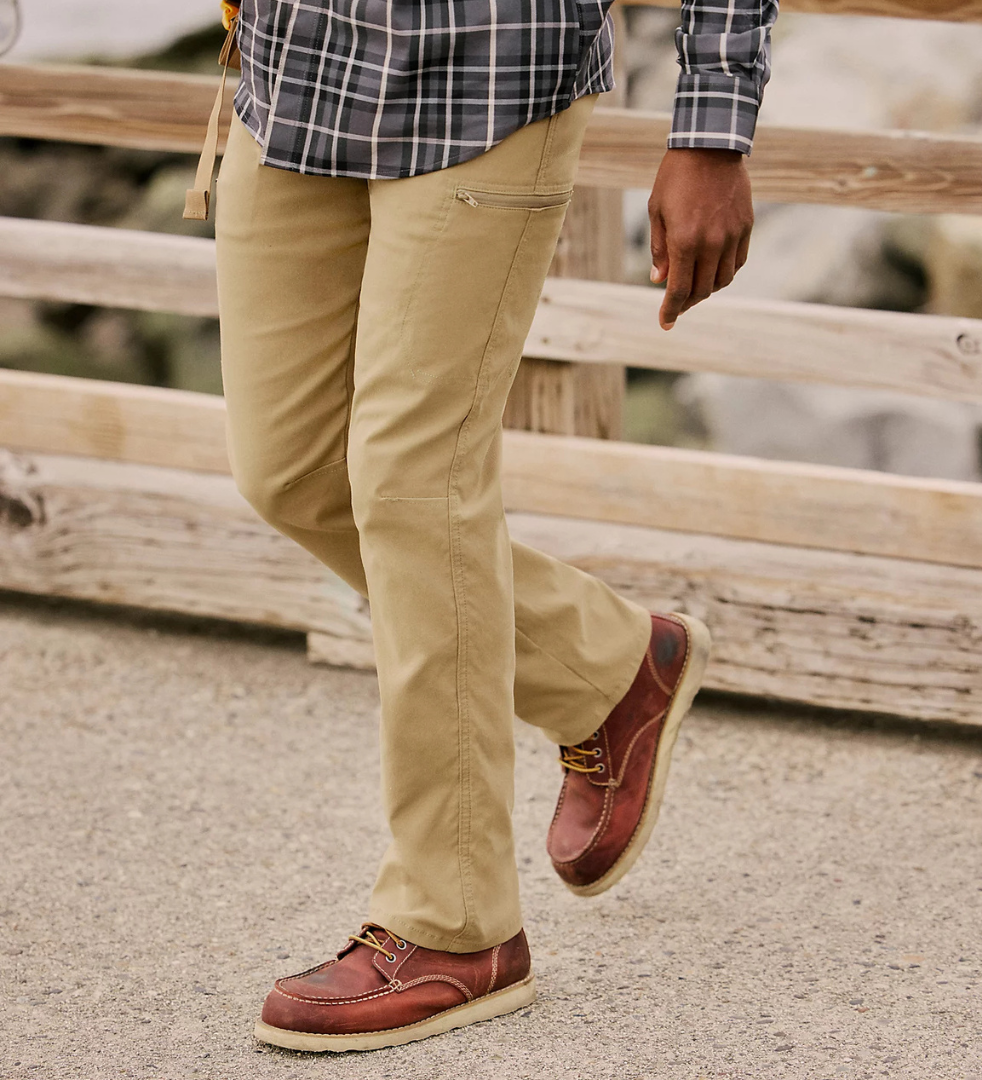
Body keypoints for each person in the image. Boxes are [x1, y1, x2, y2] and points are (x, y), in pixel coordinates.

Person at [207, 0, 776, 1053]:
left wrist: (710, 126)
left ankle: (456, 924)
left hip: (489, 80)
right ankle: (607, 667)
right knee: (290, 472)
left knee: (415, 488)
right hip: (294, 72)